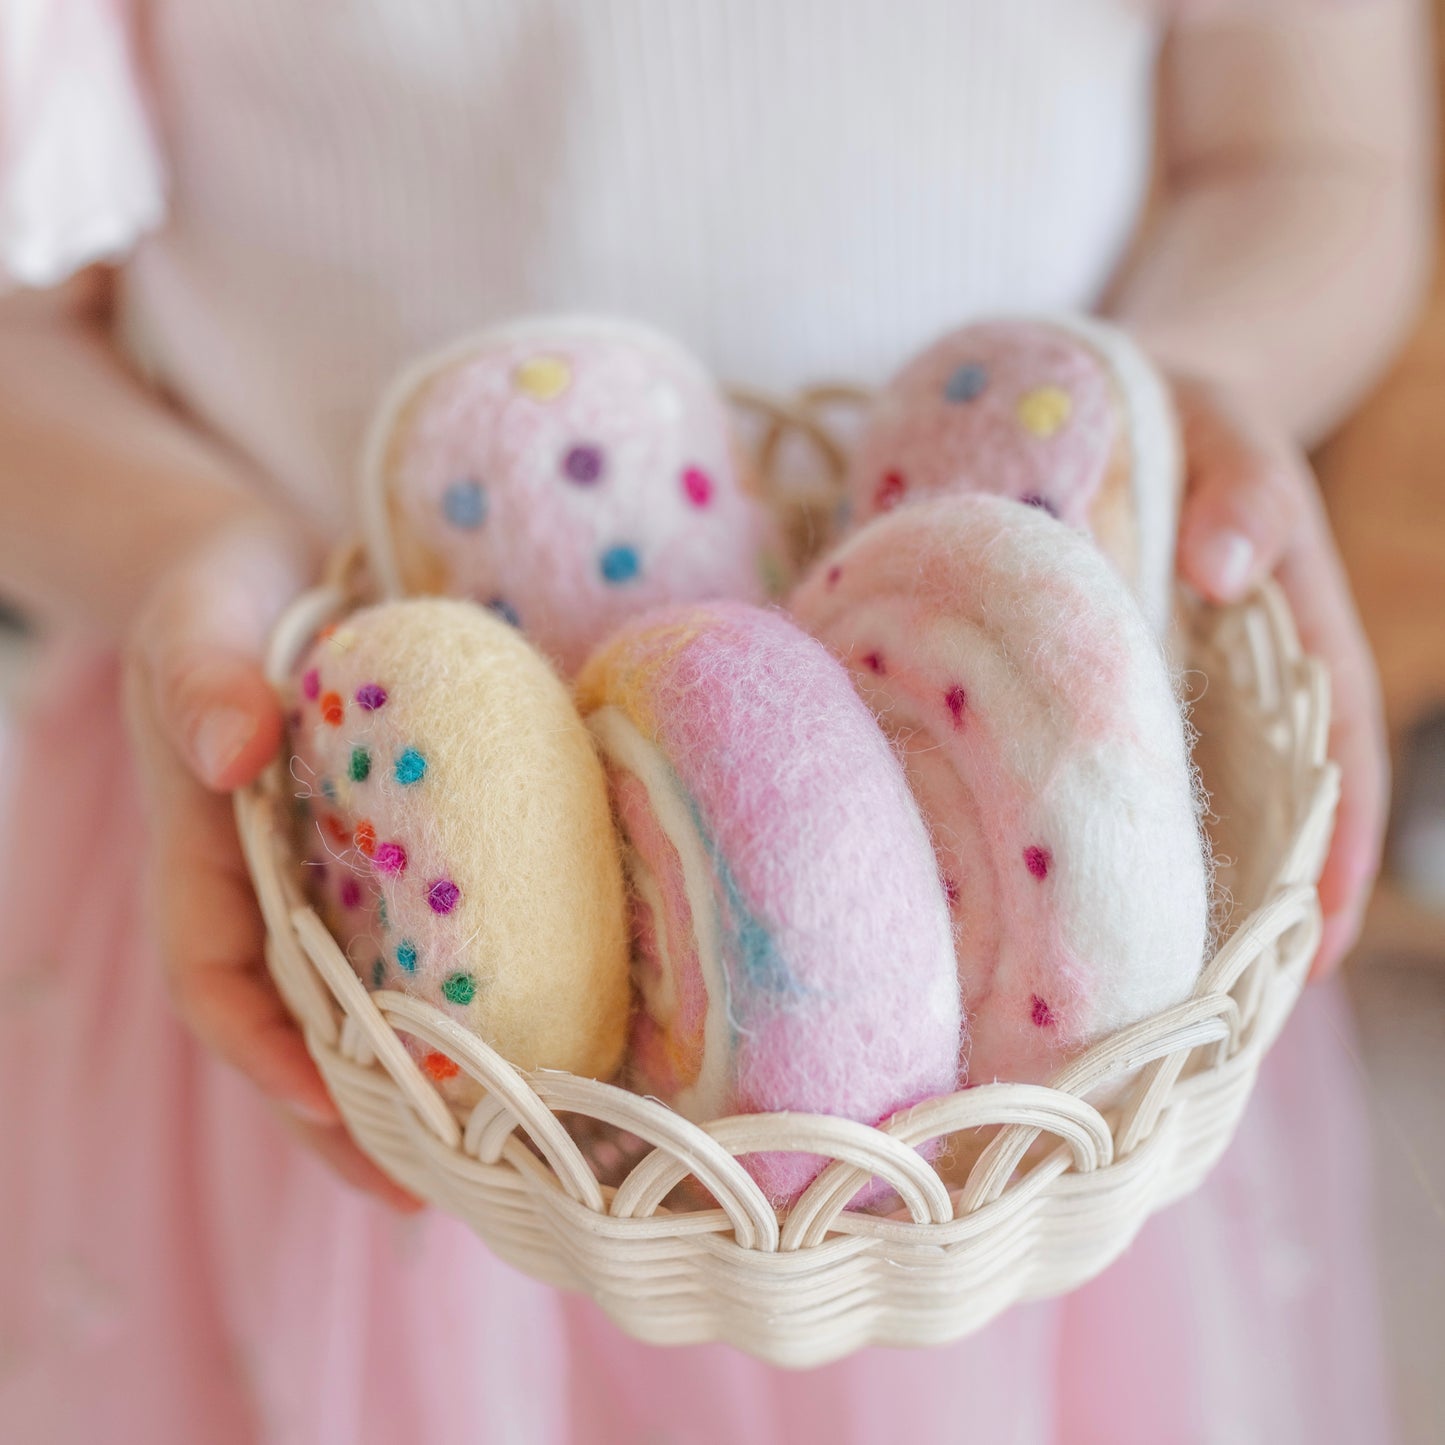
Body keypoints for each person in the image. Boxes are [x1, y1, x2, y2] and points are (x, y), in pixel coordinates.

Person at [0, 3, 1431, 1441]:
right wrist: (188, 541)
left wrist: (1195, 385)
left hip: (1019, 1064)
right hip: (323, 880)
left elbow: (1305, 157)